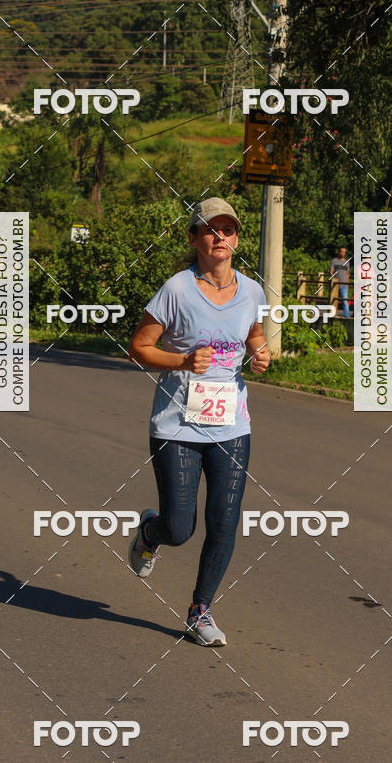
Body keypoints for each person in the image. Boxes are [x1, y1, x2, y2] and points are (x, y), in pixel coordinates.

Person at [128, 197, 271, 647]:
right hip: (177, 427)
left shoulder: (251, 291)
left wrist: (261, 353)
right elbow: (140, 347)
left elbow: (254, 335)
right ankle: (151, 531)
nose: (220, 237)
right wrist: (183, 361)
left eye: (228, 230)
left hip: (232, 425)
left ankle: (199, 609)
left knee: (225, 522)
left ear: (236, 239)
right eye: (211, 229)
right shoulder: (176, 289)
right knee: (180, 528)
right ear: (194, 238)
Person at [329, 245, 350, 318]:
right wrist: (334, 279)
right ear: (338, 252)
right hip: (335, 284)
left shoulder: (346, 262)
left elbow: (347, 274)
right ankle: (333, 314)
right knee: (334, 300)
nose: (342, 253)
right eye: (341, 252)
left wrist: (347, 284)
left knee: (345, 301)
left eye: (344, 252)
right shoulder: (334, 261)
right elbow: (331, 271)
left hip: (344, 285)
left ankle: (347, 316)